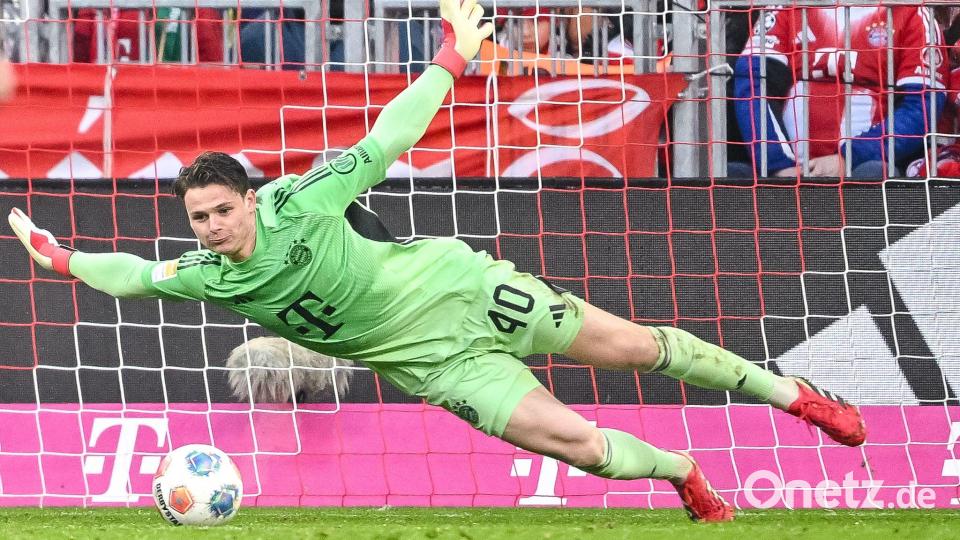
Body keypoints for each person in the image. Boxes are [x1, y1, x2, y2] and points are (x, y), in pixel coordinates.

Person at [9, 0, 865, 523]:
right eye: (197, 219)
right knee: (578, 447)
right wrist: (65, 259)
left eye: (221, 212)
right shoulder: (208, 271)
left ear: (248, 198)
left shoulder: (304, 198)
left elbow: (388, 137)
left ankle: (797, 398)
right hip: (431, 365)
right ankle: (685, 472)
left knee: (636, 347)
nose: (209, 230)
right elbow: (133, 274)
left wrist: (453, 55)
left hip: (464, 290)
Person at [731, 6, 948, 178]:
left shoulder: (913, 13)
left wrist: (848, 159)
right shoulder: (786, 6)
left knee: (874, 173)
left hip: (863, 167)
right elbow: (751, 84)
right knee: (730, 174)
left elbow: (922, 107)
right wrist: (778, 164)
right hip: (784, 170)